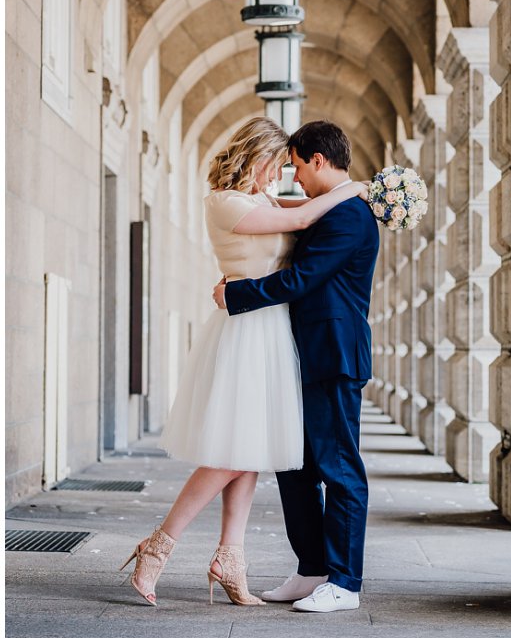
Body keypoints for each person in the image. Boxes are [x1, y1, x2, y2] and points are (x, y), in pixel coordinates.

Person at [121, 117, 367, 606]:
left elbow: (301, 212)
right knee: (234, 453)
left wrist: (359, 192)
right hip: (248, 330)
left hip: (276, 333)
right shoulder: (226, 201)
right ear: (256, 158)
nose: (285, 176)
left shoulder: (266, 200)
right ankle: (158, 547)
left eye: (292, 166)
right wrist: (356, 188)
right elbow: (299, 221)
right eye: (279, 164)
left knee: (253, 452)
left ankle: (231, 560)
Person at [214, 120, 380, 613]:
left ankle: (345, 583)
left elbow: (302, 279)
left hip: (334, 354)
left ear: (319, 161)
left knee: (338, 466)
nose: (294, 177)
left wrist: (235, 294)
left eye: (297, 167)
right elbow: (289, 212)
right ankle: (312, 569)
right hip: (304, 354)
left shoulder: (350, 215)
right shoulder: (332, 206)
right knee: (297, 466)